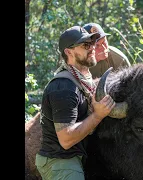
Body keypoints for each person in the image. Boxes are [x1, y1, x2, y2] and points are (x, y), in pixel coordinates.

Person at [35, 26, 115, 180]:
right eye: (85, 45)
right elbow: (66, 140)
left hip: (76, 157)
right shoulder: (64, 87)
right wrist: (98, 115)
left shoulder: (82, 80)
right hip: (60, 161)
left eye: (92, 43)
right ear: (68, 52)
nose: (92, 48)